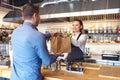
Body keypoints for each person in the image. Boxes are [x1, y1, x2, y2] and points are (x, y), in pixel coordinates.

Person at [10, 3, 61, 80]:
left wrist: (51, 34)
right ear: (35, 16)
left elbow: (31, 38)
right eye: (39, 16)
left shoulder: (15, 32)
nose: (40, 19)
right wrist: (58, 54)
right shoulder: (37, 36)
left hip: (15, 77)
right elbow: (47, 61)